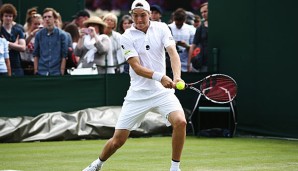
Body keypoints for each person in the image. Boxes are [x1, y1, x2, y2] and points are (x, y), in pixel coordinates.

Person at [82, 0, 186, 171]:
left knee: (180, 122)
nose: (139, 19)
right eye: (135, 15)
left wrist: (177, 77)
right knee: (118, 141)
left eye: (142, 15)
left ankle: (175, 168)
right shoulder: (126, 36)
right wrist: (161, 77)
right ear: (131, 16)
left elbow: (173, 54)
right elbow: (136, 67)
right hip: (138, 94)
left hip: (161, 93)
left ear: (150, 14)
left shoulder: (161, 28)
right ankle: (97, 164)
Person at [33, 8, 68, 76]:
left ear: (54, 18)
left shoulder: (62, 35)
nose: (47, 19)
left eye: (49, 17)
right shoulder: (39, 34)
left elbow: (64, 55)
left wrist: (62, 72)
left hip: (56, 72)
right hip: (41, 71)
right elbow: (36, 54)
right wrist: (36, 70)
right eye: (45, 17)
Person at [0, 3, 26, 76]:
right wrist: (14, 45)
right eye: (6, 16)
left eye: (10, 16)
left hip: (16, 65)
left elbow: (23, 47)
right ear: (2, 17)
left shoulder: (18, 30)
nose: (8, 18)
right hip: (2, 66)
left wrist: (6, 43)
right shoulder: (0, 30)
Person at [168, 8, 196, 72]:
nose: (178, 24)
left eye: (180, 22)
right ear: (174, 19)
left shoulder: (191, 29)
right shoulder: (168, 28)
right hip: (171, 64)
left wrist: (187, 46)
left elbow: (194, 47)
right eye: (176, 22)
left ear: (184, 20)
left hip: (187, 63)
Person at [188, 2, 208, 72]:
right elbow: (193, 46)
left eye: (205, 11)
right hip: (204, 64)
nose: (203, 14)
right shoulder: (200, 28)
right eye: (202, 12)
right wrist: (189, 64)